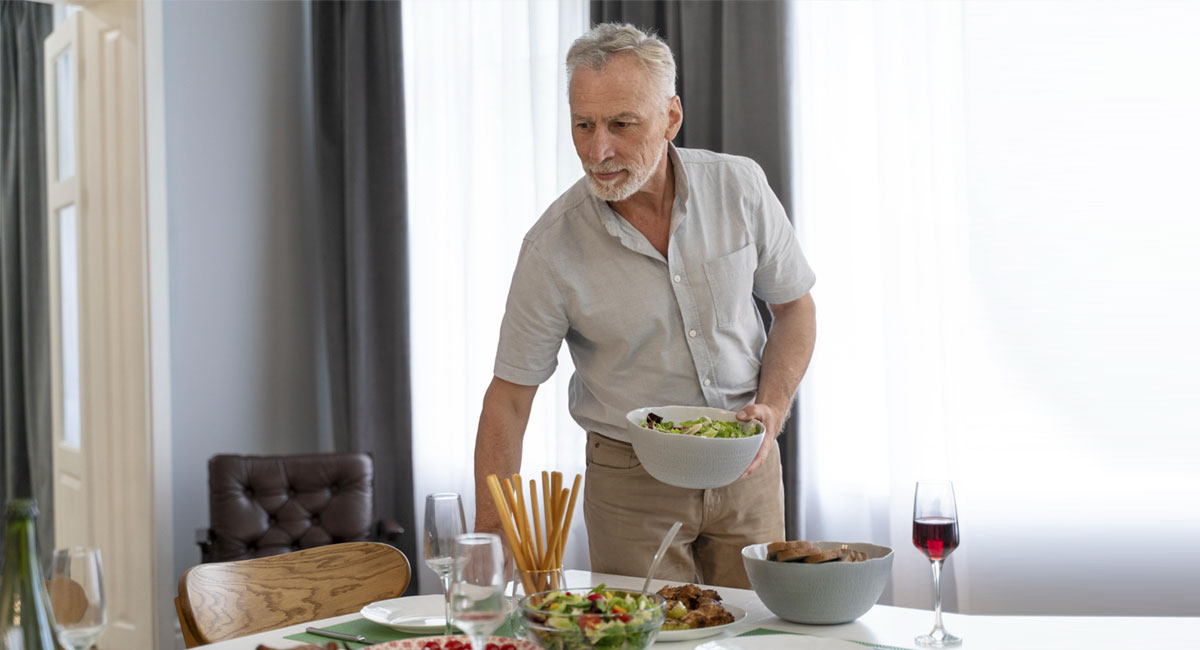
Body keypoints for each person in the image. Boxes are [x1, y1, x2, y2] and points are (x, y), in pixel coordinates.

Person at [472, 23, 816, 589]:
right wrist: (493, 530)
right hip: (630, 480)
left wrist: (772, 407)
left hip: (746, 465)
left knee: (760, 634)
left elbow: (795, 309)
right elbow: (509, 397)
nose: (597, 149)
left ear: (671, 118)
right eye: (583, 125)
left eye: (621, 125)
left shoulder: (739, 187)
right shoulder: (551, 247)